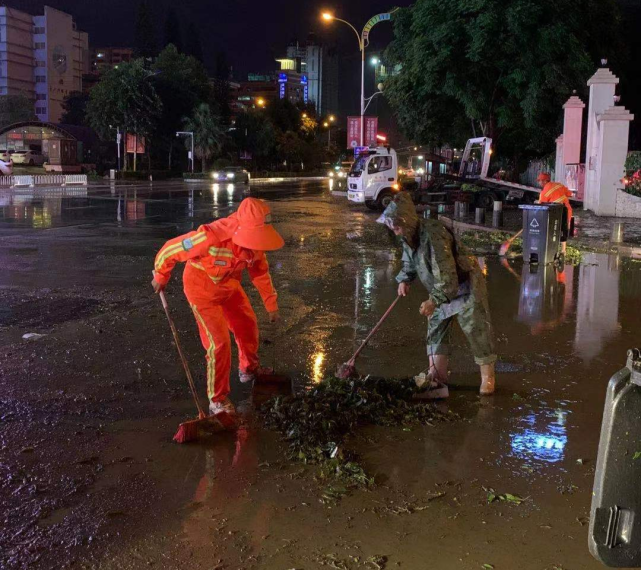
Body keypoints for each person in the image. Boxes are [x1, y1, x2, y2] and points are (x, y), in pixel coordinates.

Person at [151, 198, 284, 416]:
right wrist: (161, 274)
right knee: (218, 343)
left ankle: (248, 369)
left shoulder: (257, 243)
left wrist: (271, 304)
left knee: (247, 325)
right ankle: (217, 399)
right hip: (201, 289)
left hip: (229, 286)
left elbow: (259, 272)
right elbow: (172, 248)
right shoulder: (211, 236)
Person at [377, 192, 497, 398]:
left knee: (475, 328)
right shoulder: (408, 235)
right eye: (393, 229)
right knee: (435, 326)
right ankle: (437, 376)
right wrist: (405, 279)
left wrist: (434, 300)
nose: (396, 233)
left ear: (406, 222)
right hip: (442, 288)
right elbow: (409, 259)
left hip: (464, 285)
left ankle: (488, 377)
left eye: (396, 228)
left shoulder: (433, 235)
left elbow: (448, 276)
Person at [536, 172, 573, 255]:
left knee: (553, 229)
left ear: (544, 181)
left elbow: (540, 204)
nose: (539, 183)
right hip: (566, 210)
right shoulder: (559, 185)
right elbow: (570, 194)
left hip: (555, 212)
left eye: (539, 181)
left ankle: (552, 249)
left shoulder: (544, 192)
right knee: (563, 229)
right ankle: (563, 251)